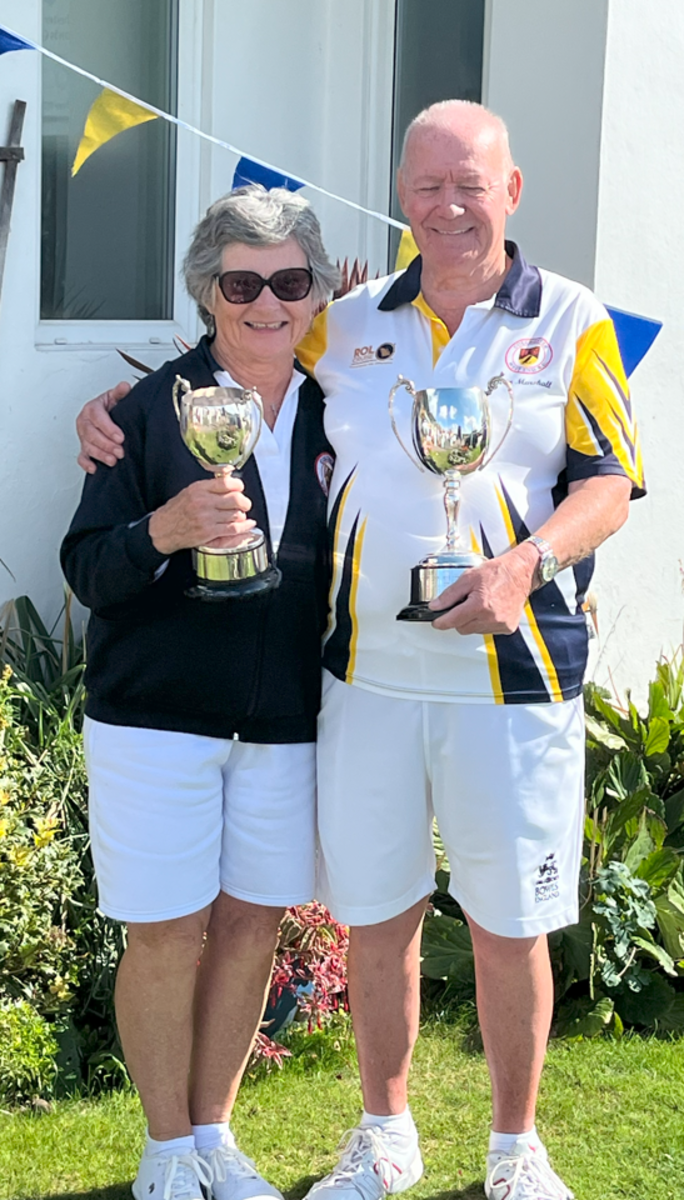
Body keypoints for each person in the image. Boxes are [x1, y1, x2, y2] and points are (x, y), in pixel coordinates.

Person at [76, 102, 644, 1200]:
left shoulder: (576, 320)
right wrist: (115, 410)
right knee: (377, 920)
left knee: (510, 924)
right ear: (400, 198)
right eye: (427, 185)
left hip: (515, 679)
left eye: (470, 183)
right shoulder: (345, 322)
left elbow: (611, 482)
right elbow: (233, 362)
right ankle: (386, 1136)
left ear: (511, 191)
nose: (449, 205)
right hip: (364, 684)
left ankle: (517, 1151)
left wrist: (526, 564)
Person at [62, 185, 338, 1200]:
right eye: (241, 283)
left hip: (287, 720)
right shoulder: (145, 412)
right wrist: (164, 531)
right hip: (156, 718)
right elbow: (88, 567)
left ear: (316, 295)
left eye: (290, 282)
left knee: (253, 924)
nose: (268, 303)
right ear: (207, 293)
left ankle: (215, 1134)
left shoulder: (348, 407)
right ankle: (166, 1151)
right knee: (168, 932)